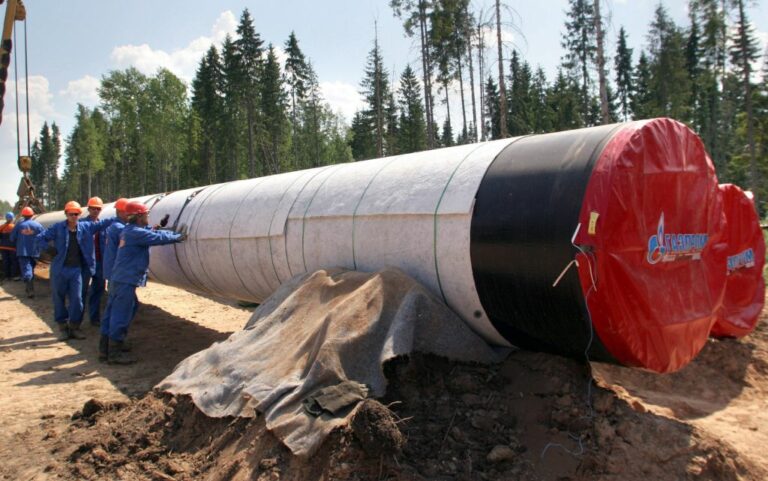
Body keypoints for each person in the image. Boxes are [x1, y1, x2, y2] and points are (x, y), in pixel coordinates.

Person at [102, 201, 184, 364]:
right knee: (121, 313)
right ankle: (114, 352)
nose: (147, 216)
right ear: (139, 217)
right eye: (146, 214)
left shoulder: (129, 230)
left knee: (121, 309)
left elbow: (148, 233)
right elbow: (156, 238)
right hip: (125, 279)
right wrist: (179, 236)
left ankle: (105, 347)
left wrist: (158, 226)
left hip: (121, 278)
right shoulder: (134, 233)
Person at [36, 201, 113, 341]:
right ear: (66, 214)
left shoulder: (85, 227)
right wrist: (47, 249)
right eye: (71, 214)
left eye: (76, 214)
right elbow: (40, 238)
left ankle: (74, 327)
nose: (74, 216)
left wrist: (121, 215)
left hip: (76, 270)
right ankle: (63, 328)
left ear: (79, 214)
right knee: (58, 299)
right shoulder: (58, 228)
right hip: (59, 269)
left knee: (77, 299)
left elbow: (102, 224)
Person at [81, 196, 106, 326]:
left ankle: (94, 319)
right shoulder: (81, 224)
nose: (95, 211)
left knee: (98, 291)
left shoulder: (103, 225)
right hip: (85, 263)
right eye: (93, 208)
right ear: (88, 209)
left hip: (100, 263)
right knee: (81, 291)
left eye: (98, 209)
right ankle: (76, 321)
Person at [10, 207, 44, 297]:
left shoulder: (19, 225)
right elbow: (44, 237)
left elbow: (12, 238)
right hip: (35, 252)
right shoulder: (38, 225)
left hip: (22, 251)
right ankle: (29, 287)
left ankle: (30, 289)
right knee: (31, 269)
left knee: (27, 270)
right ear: (32, 215)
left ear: (23, 215)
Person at [0, 212, 19, 282]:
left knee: (5, 261)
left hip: (3, 247)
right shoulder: (14, 227)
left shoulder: (1, 227)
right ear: (12, 218)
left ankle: (6, 276)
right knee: (13, 261)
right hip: (12, 247)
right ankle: (14, 276)